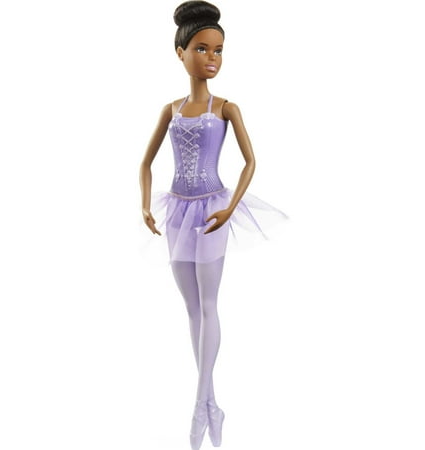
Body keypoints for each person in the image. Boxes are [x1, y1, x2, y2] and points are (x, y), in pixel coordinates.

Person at [139, 1, 286, 448]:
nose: (212, 58)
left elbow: (250, 162)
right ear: (180, 52)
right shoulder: (169, 109)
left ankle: (198, 405)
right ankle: (211, 403)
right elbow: (145, 163)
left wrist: (230, 207)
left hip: (212, 211)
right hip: (177, 212)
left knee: (208, 304)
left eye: (218, 50)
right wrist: (145, 206)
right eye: (202, 49)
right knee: (191, 308)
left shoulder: (226, 108)